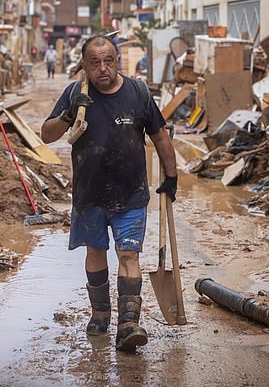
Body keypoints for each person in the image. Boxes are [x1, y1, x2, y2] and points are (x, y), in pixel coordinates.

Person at [40, 35, 177, 352]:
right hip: (89, 195)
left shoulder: (138, 93)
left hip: (131, 194)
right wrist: (68, 114)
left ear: (118, 61)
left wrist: (172, 176)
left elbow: (160, 136)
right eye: (95, 62)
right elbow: (46, 136)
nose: (103, 68)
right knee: (96, 252)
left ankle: (129, 323)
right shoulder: (76, 93)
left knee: (129, 254)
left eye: (109, 61)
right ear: (85, 65)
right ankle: (100, 312)